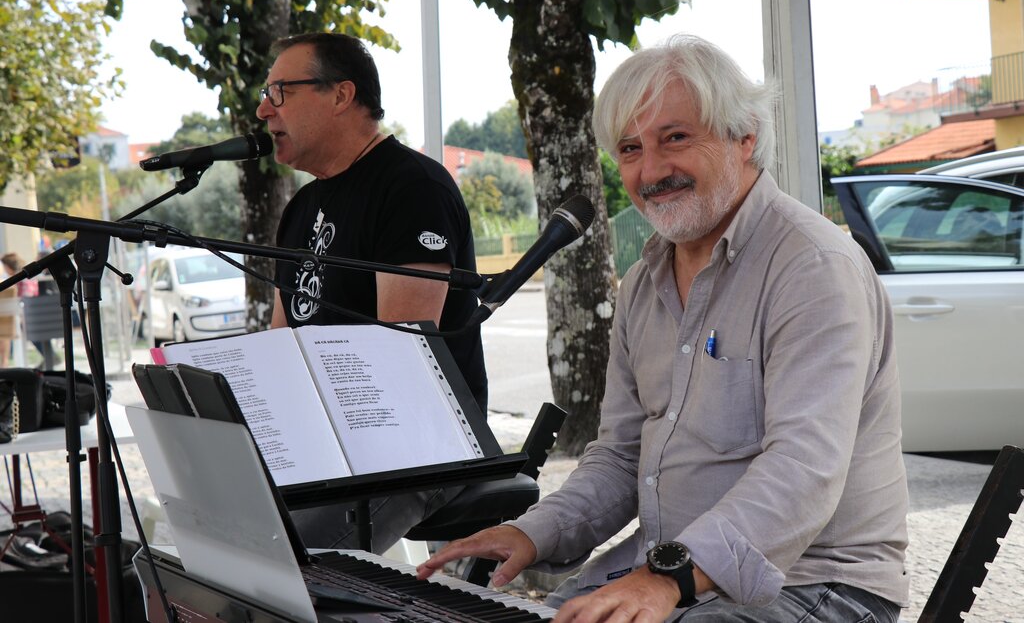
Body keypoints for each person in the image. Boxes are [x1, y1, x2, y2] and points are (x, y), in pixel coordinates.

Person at [417, 34, 909, 622]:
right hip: (670, 575)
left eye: (675, 138)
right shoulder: (643, 283)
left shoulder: (812, 267)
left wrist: (667, 579)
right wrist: (532, 532)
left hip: (814, 584)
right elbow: (621, 458)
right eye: (630, 149)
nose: (650, 170)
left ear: (745, 137)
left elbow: (804, 469)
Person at [256, 32, 487, 553]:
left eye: (279, 92)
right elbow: (279, 346)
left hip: (419, 443)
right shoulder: (301, 208)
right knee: (225, 528)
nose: (263, 110)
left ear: (341, 95)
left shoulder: (412, 187)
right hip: (330, 441)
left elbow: (398, 360)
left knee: (279, 559)